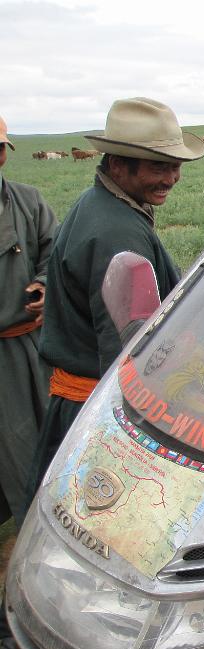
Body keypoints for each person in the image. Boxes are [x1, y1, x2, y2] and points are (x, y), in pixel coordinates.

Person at [28, 97, 204, 506]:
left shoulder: (102, 206)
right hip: (99, 411)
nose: (173, 178)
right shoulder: (115, 234)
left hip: (80, 399)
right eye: (159, 166)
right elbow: (126, 351)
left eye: (176, 165)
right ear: (118, 164)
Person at [0, 115, 57, 528]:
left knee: (42, 437)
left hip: (32, 343)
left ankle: (43, 524)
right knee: (13, 443)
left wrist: (42, 282)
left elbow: (54, 252)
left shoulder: (28, 200)